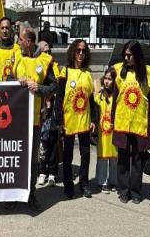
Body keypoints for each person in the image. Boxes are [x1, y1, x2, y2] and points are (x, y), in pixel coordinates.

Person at [12, 25, 57, 210]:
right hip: (16, 121)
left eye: (21, 40)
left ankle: (31, 195)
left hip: (35, 121)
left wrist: (39, 89)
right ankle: (14, 195)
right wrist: (16, 82)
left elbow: (54, 86)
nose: (18, 43)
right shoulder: (16, 59)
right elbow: (6, 83)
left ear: (28, 42)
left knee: (32, 160)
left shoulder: (45, 61)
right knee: (16, 158)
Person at [111, 40, 150, 204]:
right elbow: (115, 97)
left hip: (139, 123)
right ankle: (124, 191)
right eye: (125, 55)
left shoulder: (147, 74)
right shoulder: (119, 71)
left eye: (129, 55)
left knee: (137, 159)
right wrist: (112, 119)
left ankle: (136, 192)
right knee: (123, 159)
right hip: (122, 122)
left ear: (137, 55)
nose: (126, 58)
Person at [55, 39, 96, 199]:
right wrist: (60, 121)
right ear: (73, 51)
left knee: (85, 154)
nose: (81, 53)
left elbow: (91, 99)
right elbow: (59, 98)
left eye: (84, 51)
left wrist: (93, 119)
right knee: (68, 155)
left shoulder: (88, 73)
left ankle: (84, 184)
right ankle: (68, 185)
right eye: (78, 50)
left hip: (84, 119)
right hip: (69, 120)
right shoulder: (65, 72)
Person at [35, 41, 60, 187]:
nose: (48, 54)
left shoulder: (55, 67)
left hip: (53, 109)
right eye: (45, 52)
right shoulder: (36, 65)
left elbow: (56, 87)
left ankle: (52, 173)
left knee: (53, 142)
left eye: (49, 52)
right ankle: (41, 172)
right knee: (42, 143)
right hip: (41, 107)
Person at [94, 67, 118, 193]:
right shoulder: (100, 95)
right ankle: (102, 182)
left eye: (110, 79)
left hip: (114, 131)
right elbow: (95, 83)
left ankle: (113, 181)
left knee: (114, 158)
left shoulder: (117, 96)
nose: (107, 82)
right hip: (102, 132)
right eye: (105, 79)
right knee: (102, 157)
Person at [0, 17, 18, 82]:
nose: (4, 31)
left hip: (14, 86)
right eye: (2, 28)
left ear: (11, 30)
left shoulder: (17, 48)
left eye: (7, 28)